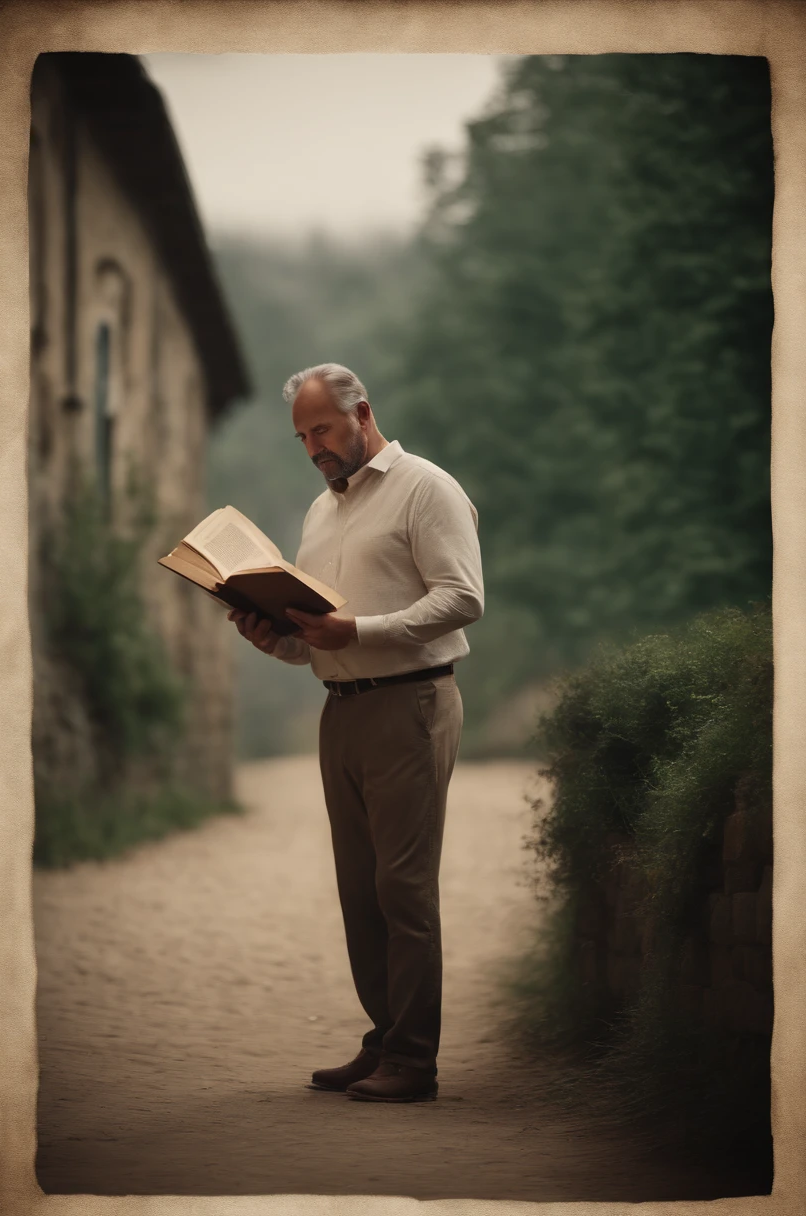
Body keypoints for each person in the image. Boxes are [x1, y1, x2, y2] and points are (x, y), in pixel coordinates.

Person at [228, 363, 483, 1103]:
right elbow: (320, 639)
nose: (313, 446)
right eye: (303, 435)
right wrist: (272, 636)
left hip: (411, 705)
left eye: (324, 429)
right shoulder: (319, 512)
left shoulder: (426, 488)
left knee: (403, 889)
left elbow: (464, 598)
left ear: (362, 413)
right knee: (360, 891)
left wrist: (357, 628)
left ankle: (414, 1059)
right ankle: (384, 1042)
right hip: (340, 709)